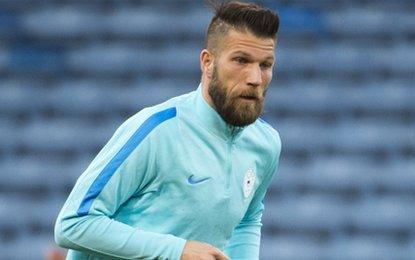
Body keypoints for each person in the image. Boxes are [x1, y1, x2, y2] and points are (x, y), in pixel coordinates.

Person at [54, 1, 281, 259]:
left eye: (265, 65)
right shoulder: (157, 131)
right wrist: (176, 250)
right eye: (241, 60)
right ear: (208, 62)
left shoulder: (266, 144)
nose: (255, 78)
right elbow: (72, 223)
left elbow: (247, 219)